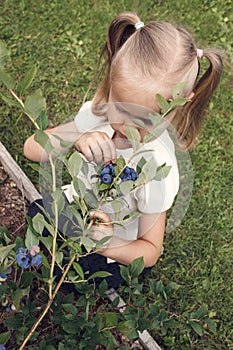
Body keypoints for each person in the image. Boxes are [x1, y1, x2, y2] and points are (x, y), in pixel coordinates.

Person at [23, 12, 222, 290]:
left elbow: (150, 250)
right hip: (74, 208)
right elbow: (31, 148)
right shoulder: (98, 116)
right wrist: (76, 138)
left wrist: (107, 244)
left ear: (179, 105)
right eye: (122, 108)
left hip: (113, 247)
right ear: (112, 85)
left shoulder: (156, 168)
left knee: (74, 276)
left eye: (146, 118)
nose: (128, 125)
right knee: (37, 211)